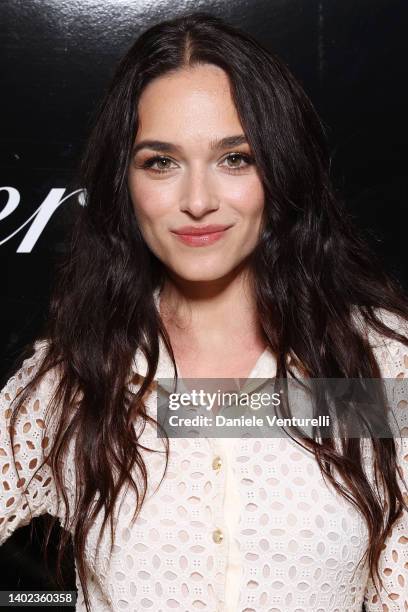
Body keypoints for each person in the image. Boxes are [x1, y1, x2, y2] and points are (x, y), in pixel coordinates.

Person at [1, 11, 407, 612]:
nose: (197, 201)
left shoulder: (374, 366)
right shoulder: (79, 377)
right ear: (125, 182)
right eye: (161, 162)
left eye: (235, 158)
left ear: (280, 168)